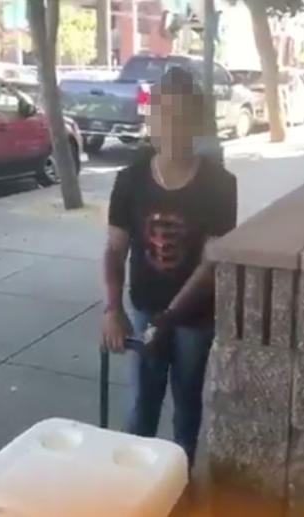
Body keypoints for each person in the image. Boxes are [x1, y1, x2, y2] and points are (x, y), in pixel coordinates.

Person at [99, 66, 238, 467]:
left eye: (183, 117)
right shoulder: (130, 180)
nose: (173, 127)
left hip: (194, 318)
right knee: (142, 408)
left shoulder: (220, 184)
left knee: (188, 408)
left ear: (197, 122)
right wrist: (112, 308)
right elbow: (113, 249)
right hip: (144, 310)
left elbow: (213, 261)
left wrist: (170, 318)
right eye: (164, 116)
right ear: (152, 120)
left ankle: (180, 487)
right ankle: (132, 491)